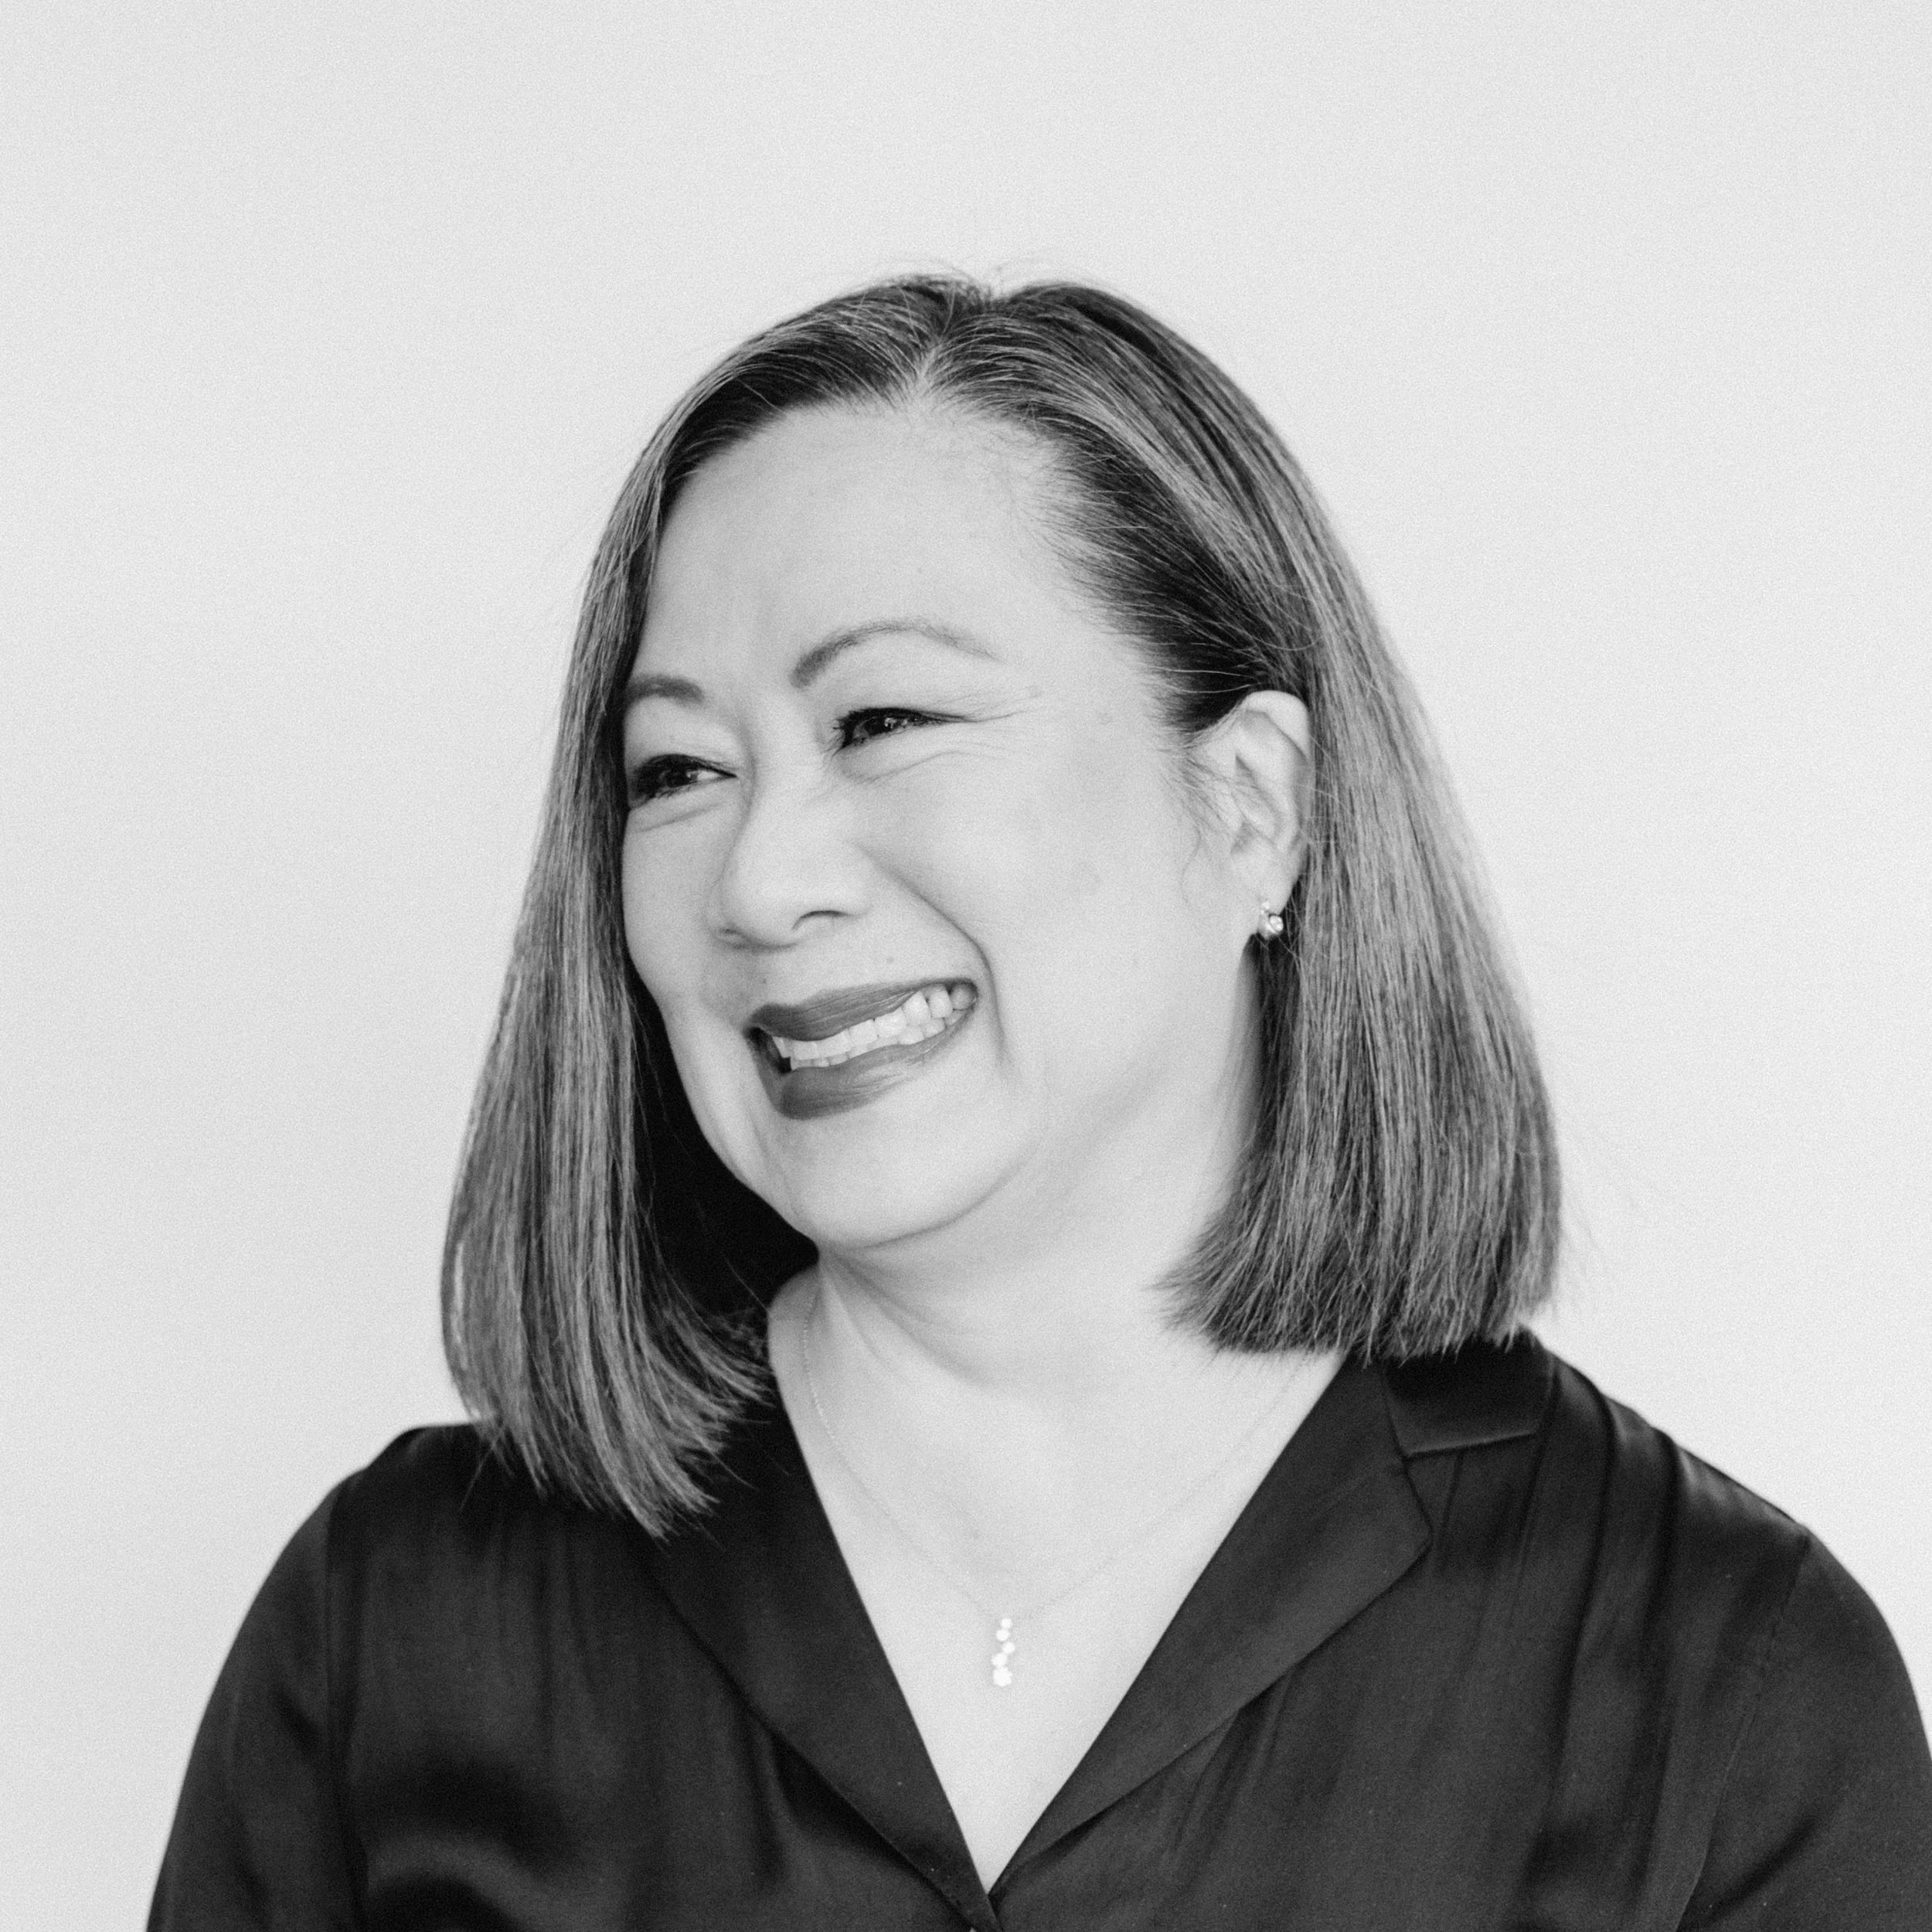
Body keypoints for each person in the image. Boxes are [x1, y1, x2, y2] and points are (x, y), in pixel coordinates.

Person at [149, 277, 1932, 1930]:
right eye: (677, 767)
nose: (759, 880)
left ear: (1247, 806)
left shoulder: (1721, 1678)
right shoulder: (394, 1624)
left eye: (884, 720)